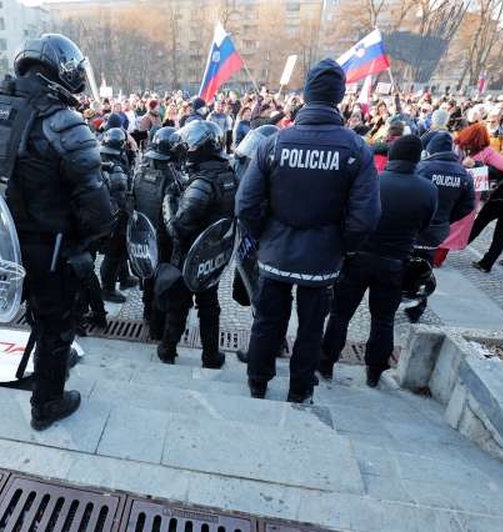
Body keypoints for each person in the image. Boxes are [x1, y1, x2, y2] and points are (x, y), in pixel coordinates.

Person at [0, 33, 114, 430]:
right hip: (51, 248)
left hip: (2, 244)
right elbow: (96, 207)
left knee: (38, 314)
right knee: (56, 326)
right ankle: (47, 403)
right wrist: (90, 243)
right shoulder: (63, 122)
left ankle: (47, 367)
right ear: (63, 71)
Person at [236, 58, 381, 404]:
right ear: (339, 96)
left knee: (268, 320)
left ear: (306, 94)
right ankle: (300, 389)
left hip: (277, 251)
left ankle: (258, 380)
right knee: (312, 327)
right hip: (322, 256)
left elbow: (246, 204)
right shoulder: (356, 148)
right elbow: (365, 217)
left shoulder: (274, 144)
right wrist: (342, 246)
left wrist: (264, 235)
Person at [320, 136, 437, 386]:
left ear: (392, 155)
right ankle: (374, 372)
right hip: (395, 262)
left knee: (340, 313)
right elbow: (425, 225)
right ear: (418, 159)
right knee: (383, 319)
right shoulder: (428, 190)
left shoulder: (374, 181)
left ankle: (326, 362)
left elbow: (351, 215)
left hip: (359, 258)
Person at [158, 120, 235, 369]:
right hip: (213, 253)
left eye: (190, 145)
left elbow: (177, 227)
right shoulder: (229, 174)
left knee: (178, 304)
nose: (186, 148)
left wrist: (169, 200)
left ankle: (167, 349)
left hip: (190, 253)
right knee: (209, 305)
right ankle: (210, 355)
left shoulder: (202, 182)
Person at [408, 132, 475, 322]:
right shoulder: (463, 174)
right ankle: (417, 307)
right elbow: (468, 206)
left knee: (403, 262)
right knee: (425, 267)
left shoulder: (423, 168)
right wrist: (447, 219)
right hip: (436, 231)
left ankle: (396, 297)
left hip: (415, 227)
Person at [132, 126, 182, 339]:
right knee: (161, 280)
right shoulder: (173, 178)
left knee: (148, 275)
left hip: (142, 234)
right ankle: (156, 327)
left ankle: (146, 313)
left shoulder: (141, 171)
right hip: (163, 238)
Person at [458, 123, 503, 272]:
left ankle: (461, 243)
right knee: (501, 231)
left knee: (480, 222)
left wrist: (479, 166)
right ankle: (487, 263)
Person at [99, 127, 133, 303]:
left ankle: (124, 277)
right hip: (115, 216)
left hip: (105, 212)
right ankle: (108, 289)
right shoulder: (116, 167)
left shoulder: (99, 155)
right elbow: (121, 196)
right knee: (115, 253)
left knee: (120, 250)